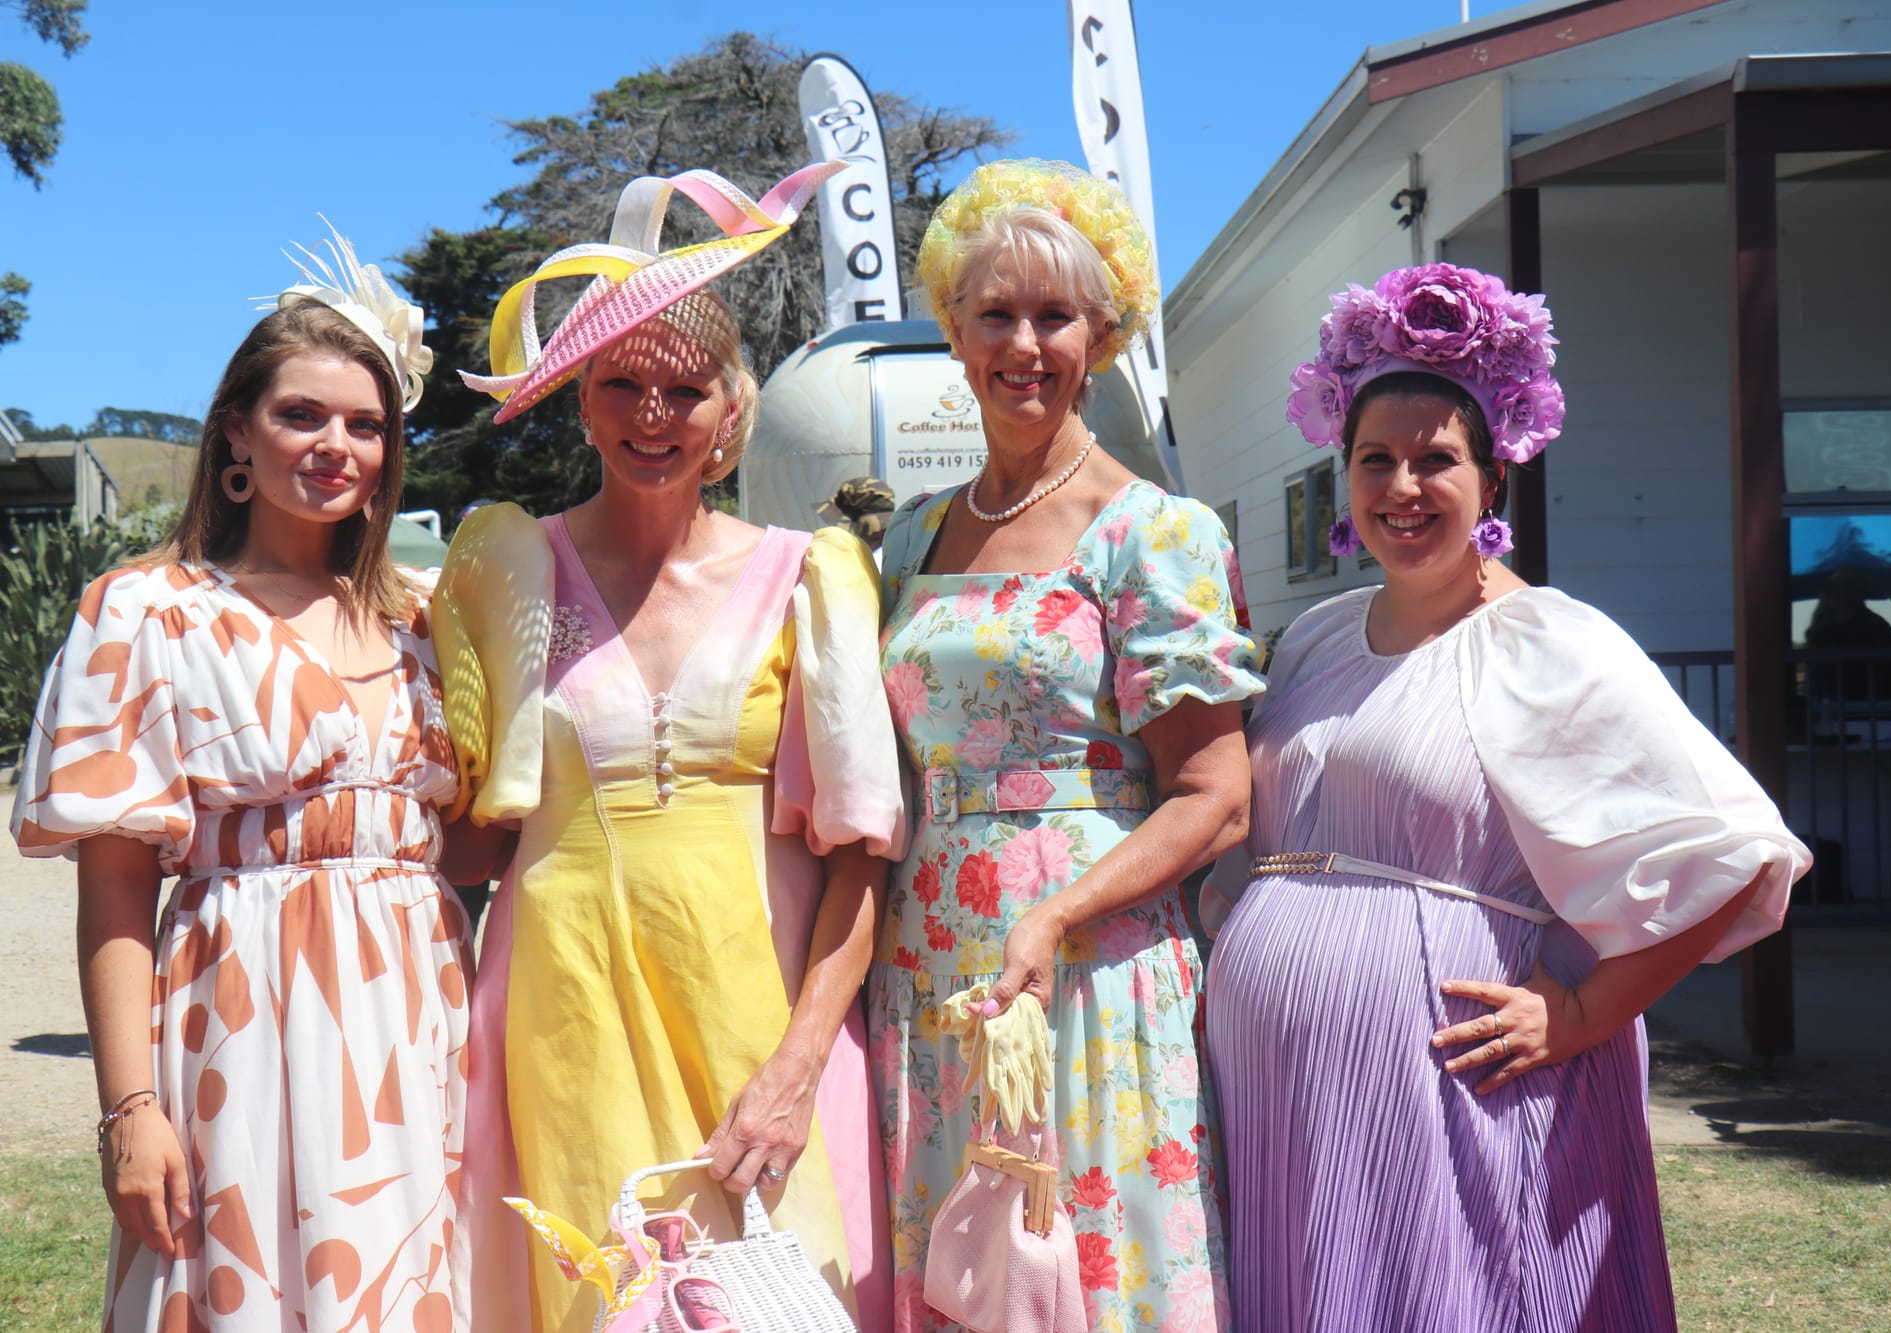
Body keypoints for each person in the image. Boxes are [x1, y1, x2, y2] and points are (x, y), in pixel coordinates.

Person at [1201, 263, 1811, 1330]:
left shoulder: (1541, 642)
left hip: (1447, 1094)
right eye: (1373, 461)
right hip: (1283, 1109)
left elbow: (1738, 851)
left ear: (1492, 480)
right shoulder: (1313, 638)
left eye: (1434, 460)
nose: (1401, 487)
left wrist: (1582, 1010)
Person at [435, 162, 906, 1333]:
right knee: (582, 1291)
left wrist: (799, 1063)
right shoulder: (504, 567)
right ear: (579, 399)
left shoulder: (810, 578)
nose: (653, 416)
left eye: (685, 390)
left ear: (731, 408)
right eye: (621, 384)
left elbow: (862, 853)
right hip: (558, 1007)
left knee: (777, 1294)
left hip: (749, 1002)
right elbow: (466, 844)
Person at [10, 230, 471, 1329]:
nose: (335, 446)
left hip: (421, 1024)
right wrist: (129, 1107)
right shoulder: (147, 613)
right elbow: (115, 881)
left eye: (365, 425)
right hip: (241, 1020)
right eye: (300, 415)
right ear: (236, 435)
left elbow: (474, 836)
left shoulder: (424, 619)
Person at [867, 159, 1260, 1332]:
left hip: (1087, 972)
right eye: (995, 314)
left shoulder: (1153, 531)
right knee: (962, 1270)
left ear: (1103, 332)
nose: (1024, 344)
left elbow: (1214, 795)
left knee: (1088, 1272)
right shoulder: (911, 540)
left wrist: (1050, 917)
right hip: (934, 968)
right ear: (951, 327)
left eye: (1055, 316)